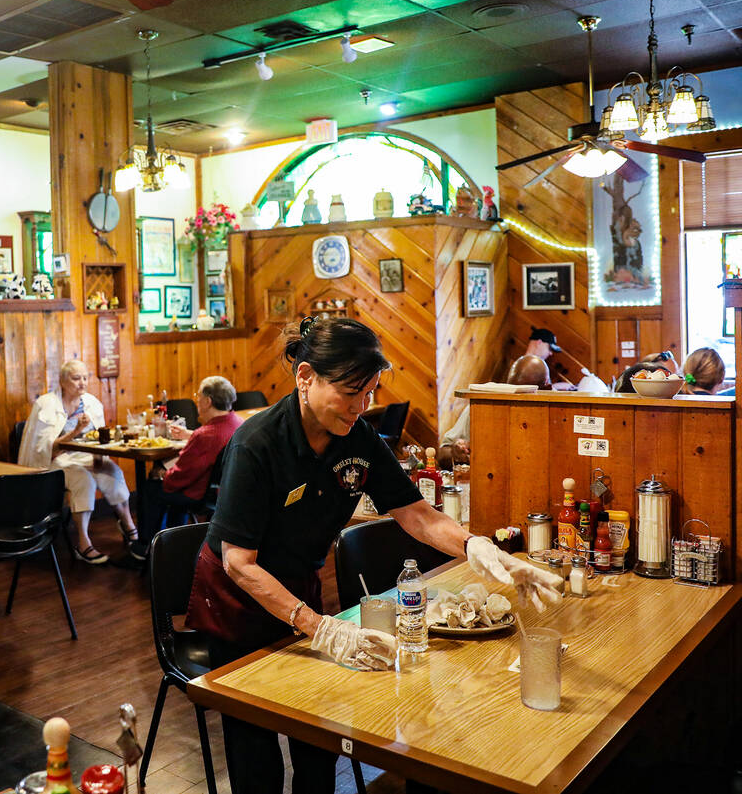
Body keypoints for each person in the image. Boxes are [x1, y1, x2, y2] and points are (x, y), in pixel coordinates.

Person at [185, 316, 561, 794]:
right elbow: (239, 561)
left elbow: (417, 516)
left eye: (370, 393)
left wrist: (476, 546)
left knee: (316, 740)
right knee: (256, 753)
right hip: (237, 605)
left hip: (297, 587)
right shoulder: (256, 445)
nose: (361, 407)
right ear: (305, 378)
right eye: (349, 393)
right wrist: (318, 626)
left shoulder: (357, 437)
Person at [18, 359, 139, 564]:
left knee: (112, 472)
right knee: (82, 479)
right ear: (63, 381)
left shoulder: (91, 403)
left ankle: (129, 527)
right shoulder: (46, 405)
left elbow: (99, 438)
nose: (82, 383)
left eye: (85, 377)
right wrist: (75, 431)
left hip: (86, 456)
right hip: (56, 461)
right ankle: (83, 543)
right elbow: (46, 450)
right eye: (76, 378)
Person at [131, 375, 243, 560]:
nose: (196, 400)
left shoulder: (204, 435)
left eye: (198, 396)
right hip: (227, 493)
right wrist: (190, 435)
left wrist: (162, 474)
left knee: (151, 488)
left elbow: (177, 479)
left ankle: (145, 547)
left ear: (207, 401)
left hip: (202, 496)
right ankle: (177, 542)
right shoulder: (238, 424)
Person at [439, 354, 552, 468]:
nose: (516, 401)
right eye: (512, 390)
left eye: (526, 393)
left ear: (547, 389)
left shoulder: (558, 417)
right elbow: (442, 455)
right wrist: (455, 453)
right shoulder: (479, 409)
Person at [524, 326, 576, 391]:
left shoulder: (530, 365)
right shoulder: (529, 367)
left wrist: (555, 386)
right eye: (550, 348)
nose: (551, 353)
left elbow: (539, 390)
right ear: (539, 342)